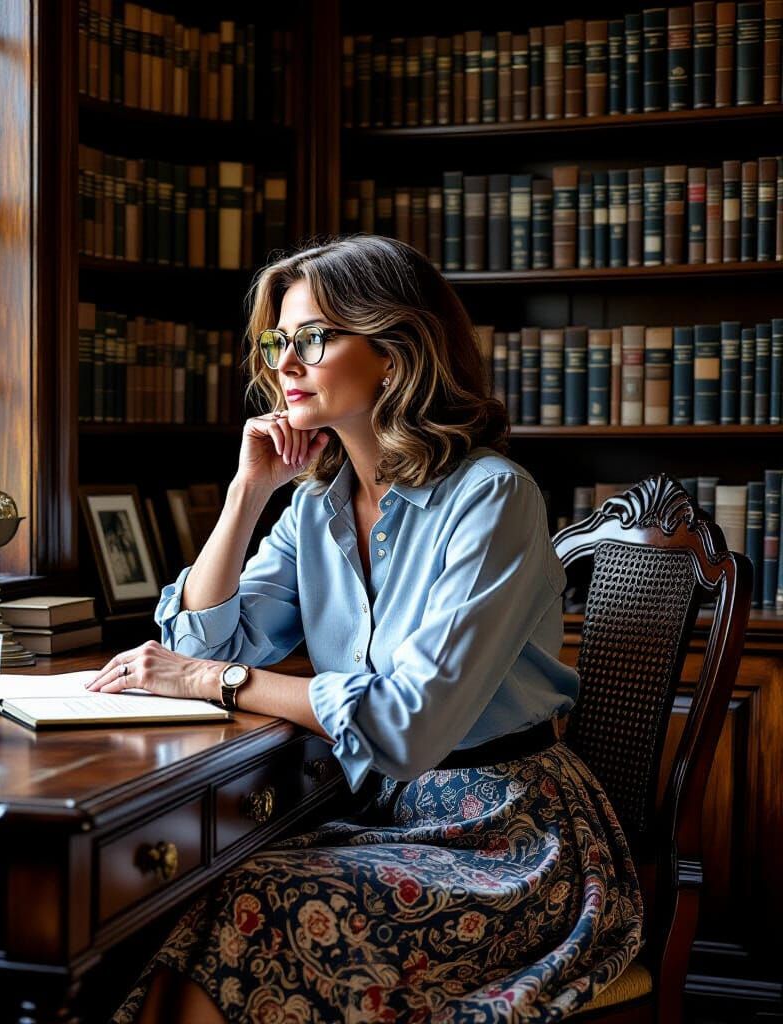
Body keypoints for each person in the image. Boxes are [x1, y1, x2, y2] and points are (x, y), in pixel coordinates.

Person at [88, 235, 643, 1023]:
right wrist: (248, 494)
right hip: (381, 819)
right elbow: (194, 647)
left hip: (509, 839)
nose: (284, 364)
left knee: (251, 908)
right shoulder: (315, 506)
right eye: (278, 342)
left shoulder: (493, 498)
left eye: (312, 338)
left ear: (395, 350)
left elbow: (407, 724)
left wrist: (223, 683)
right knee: (183, 915)